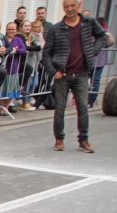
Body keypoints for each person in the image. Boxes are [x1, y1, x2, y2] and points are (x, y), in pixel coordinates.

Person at [43, 0, 107, 152]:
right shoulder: (55, 28)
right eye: (66, 6)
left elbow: (102, 36)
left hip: (81, 74)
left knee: (83, 108)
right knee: (59, 109)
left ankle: (83, 139)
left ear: (79, 6)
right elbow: (46, 54)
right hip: (62, 75)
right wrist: (54, 72)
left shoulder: (89, 23)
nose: (69, 9)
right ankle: (59, 139)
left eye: (72, 6)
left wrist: (93, 51)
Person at [0, 22, 26, 114]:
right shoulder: (2, 39)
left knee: (10, 89)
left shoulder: (18, 39)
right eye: (9, 29)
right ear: (6, 29)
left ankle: (5, 108)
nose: (11, 31)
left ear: (16, 30)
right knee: (3, 89)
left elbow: (24, 50)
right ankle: (1, 107)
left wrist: (16, 50)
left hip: (13, 69)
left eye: (13, 29)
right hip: (3, 68)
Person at [19, 20, 44, 111]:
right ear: (21, 27)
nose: (28, 28)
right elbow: (27, 48)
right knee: (27, 83)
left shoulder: (31, 37)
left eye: (29, 26)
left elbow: (35, 47)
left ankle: (27, 101)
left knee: (35, 83)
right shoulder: (20, 36)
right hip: (26, 63)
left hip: (35, 63)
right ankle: (25, 102)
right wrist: (39, 47)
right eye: (25, 26)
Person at [89, 18, 114, 108]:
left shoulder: (94, 31)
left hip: (92, 59)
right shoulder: (105, 31)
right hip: (99, 60)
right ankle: (91, 100)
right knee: (95, 80)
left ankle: (90, 100)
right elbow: (111, 42)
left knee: (92, 80)